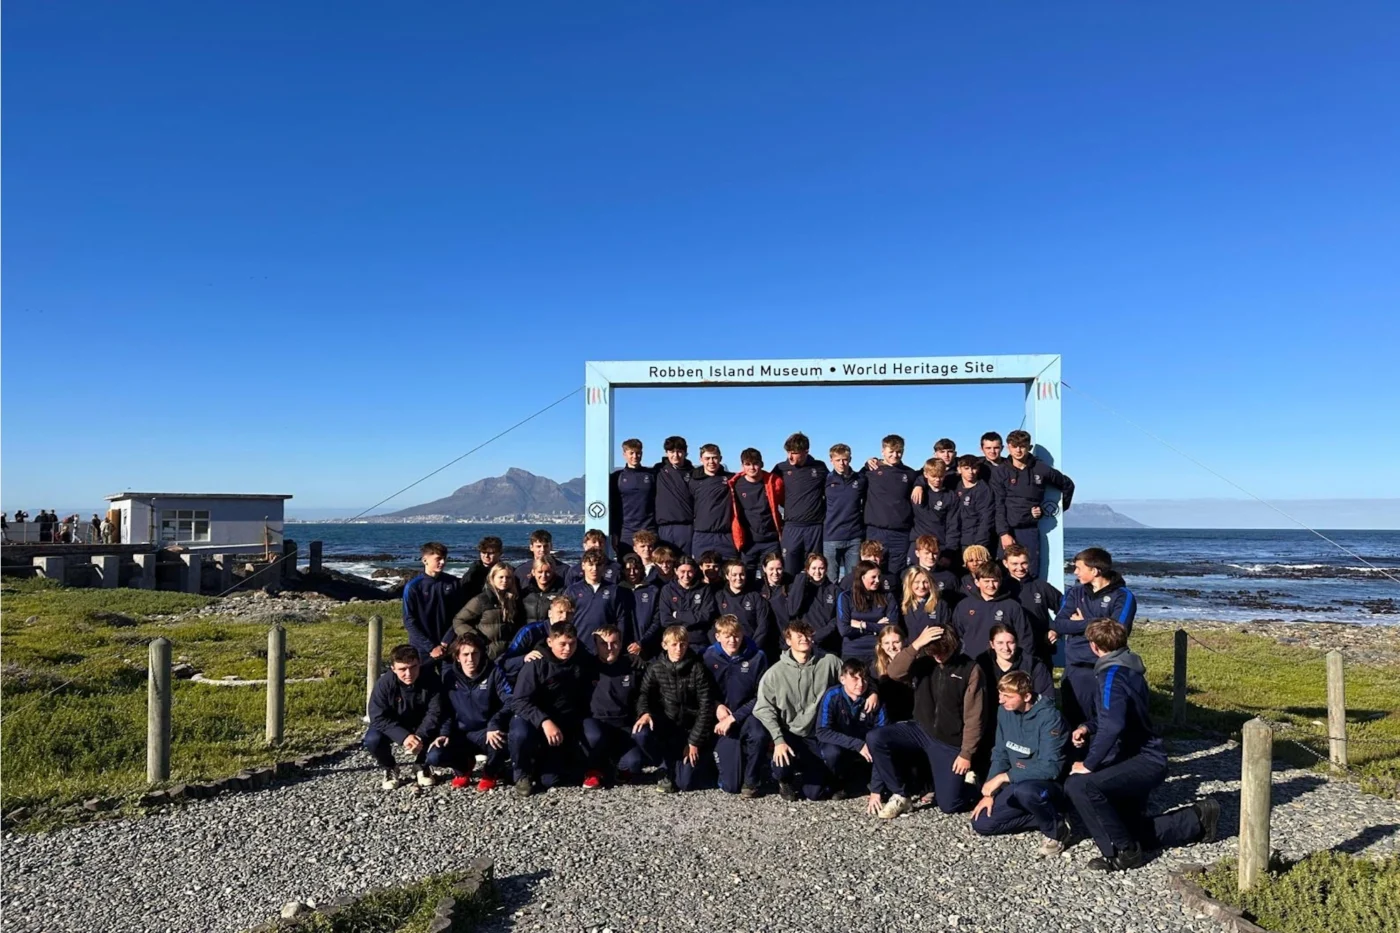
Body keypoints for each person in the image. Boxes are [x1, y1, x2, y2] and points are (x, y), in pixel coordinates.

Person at [1066, 620, 1220, 871]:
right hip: (1138, 754)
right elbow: (1116, 716)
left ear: (1093, 647)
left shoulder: (1110, 676)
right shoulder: (1128, 666)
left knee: (1079, 785)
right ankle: (1197, 819)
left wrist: (1089, 764)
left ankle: (1123, 853)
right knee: (1126, 827)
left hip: (1141, 758)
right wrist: (1088, 726)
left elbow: (1113, 725)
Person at [867, 625, 986, 818]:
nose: (938, 656)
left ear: (953, 646)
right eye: (933, 651)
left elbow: (975, 715)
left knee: (949, 804)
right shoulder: (923, 662)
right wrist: (916, 645)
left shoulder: (970, 669)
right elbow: (895, 672)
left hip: (949, 740)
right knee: (876, 738)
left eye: (942, 652)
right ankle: (901, 794)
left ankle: (973, 785)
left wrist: (967, 753)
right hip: (921, 729)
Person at [970, 670, 1071, 856]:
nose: (1001, 700)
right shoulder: (1004, 712)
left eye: (1007, 696)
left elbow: (1051, 768)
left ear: (1026, 696)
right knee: (982, 823)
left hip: (1046, 784)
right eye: (1000, 694)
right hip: (1017, 781)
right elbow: (1000, 752)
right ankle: (1051, 816)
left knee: (1025, 791)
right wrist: (990, 791)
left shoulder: (1051, 718)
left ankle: (1056, 831)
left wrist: (1004, 777)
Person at [753, 620, 848, 801]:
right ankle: (784, 779)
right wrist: (778, 739)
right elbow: (763, 708)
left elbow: (852, 680)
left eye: (807, 635)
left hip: (819, 731)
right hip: (790, 733)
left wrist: (872, 692)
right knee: (781, 759)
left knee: (816, 791)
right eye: (799, 635)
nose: (805, 639)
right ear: (789, 641)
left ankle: (833, 778)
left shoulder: (830, 661)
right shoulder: (775, 672)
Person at [1053, 548, 1137, 730]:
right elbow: (1059, 624)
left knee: (1105, 721)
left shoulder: (1123, 596)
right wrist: (1098, 623)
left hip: (1105, 668)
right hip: (1075, 667)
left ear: (1095, 570)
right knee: (1073, 723)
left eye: (1078, 568)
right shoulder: (1075, 593)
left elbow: (1117, 632)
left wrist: (1082, 623)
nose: (1074, 572)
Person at [509, 621, 593, 796]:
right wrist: (544, 721)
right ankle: (521, 774)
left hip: (562, 723)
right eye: (562, 644)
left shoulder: (581, 662)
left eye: (572, 644)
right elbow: (519, 701)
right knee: (519, 733)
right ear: (550, 642)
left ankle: (545, 765)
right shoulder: (536, 663)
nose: (567, 649)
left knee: (551, 781)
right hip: (534, 720)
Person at [634, 625, 718, 793]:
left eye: (682, 644)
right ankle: (663, 767)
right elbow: (644, 694)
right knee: (641, 733)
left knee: (685, 784)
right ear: (665, 645)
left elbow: (705, 706)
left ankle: (700, 761)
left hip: (690, 729)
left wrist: (694, 741)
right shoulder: (656, 668)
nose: (678, 649)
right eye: (674, 644)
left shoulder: (697, 669)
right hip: (667, 726)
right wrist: (644, 713)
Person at [429, 633, 512, 791]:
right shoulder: (449, 677)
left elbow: (510, 701)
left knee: (501, 740)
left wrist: (495, 723)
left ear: (481, 654)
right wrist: (444, 733)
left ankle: (491, 772)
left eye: (474, 653)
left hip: (487, 731)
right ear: (457, 657)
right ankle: (463, 768)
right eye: (465, 654)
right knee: (435, 756)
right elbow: (446, 709)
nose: (470, 659)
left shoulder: (494, 672)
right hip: (461, 732)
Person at [704, 615, 770, 797]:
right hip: (718, 716)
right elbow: (702, 691)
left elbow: (761, 696)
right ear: (718, 637)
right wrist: (716, 706)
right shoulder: (708, 656)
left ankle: (752, 780)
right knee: (730, 786)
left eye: (736, 635)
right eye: (727, 636)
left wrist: (735, 717)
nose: (732, 640)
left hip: (748, 714)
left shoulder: (757, 657)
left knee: (759, 734)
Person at [994, 430, 1075, 575]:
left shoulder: (1040, 468)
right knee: (1003, 574)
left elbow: (1068, 485)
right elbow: (998, 505)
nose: (1018, 450)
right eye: (1015, 446)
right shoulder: (1000, 472)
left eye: (1022, 446)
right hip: (1007, 531)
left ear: (1029, 447)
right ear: (1008, 447)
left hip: (1029, 530)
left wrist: (1057, 512)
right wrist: (1004, 533)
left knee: (1030, 572)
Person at [580, 625, 652, 788]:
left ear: (621, 643)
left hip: (623, 725)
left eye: (614, 643)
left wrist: (644, 712)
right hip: (597, 722)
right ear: (596, 645)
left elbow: (645, 693)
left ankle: (614, 767)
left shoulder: (634, 666)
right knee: (593, 736)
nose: (609, 648)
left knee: (634, 763)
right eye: (603, 644)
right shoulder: (587, 666)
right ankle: (593, 770)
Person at [365, 645, 444, 789]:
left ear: (419, 663)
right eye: (402, 669)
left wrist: (419, 736)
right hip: (394, 723)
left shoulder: (432, 679)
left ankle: (421, 765)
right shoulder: (384, 684)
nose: (409, 673)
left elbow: (436, 712)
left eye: (413, 667)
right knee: (372, 740)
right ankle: (389, 766)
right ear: (393, 669)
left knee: (439, 731)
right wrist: (403, 736)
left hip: (422, 723)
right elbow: (377, 716)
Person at [815, 658, 888, 805]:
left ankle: (872, 782)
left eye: (864, 678)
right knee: (831, 753)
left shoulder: (875, 700)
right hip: (842, 743)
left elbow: (883, 732)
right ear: (843, 679)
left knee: (881, 747)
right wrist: (856, 744)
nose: (860, 684)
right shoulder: (832, 696)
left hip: (867, 745)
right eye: (854, 678)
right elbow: (822, 731)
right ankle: (839, 782)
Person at [859, 435, 919, 572]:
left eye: (898, 452)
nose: (895, 455)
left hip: (901, 533)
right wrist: (867, 463)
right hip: (876, 531)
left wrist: (919, 485)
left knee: (897, 574)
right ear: (883, 451)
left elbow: (925, 476)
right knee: (873, 571)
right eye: (891, 451)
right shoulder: (871, 470)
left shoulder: (910, 474)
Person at [773, 432, 828, 577]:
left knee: (814, 571)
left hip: (815, 527)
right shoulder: (781, 468)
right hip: (792, 527)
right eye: (788, 452)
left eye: (794, 453)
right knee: (789, 571)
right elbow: (766, 487)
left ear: (806, 452)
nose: (790, 457)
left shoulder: (820, 467)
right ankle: (790, 598)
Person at [954, 565, 1035, 664]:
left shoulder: (1012, 606)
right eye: (986, 581)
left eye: (995, 581)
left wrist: (1021, 663)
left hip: (1002, 664)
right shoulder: (964, 605)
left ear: (1000, 581)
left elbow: (1025, 638)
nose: (991, 585)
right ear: (977, 582)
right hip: (971, 663)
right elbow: (956, 636)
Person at [402, 542, 460, 670]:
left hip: (449, 645)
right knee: (424, 685)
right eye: (438, 559)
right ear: (425, 560)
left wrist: (446, 642)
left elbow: (459, 616)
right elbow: (409, 620)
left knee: (450, 683)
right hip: (422, 648)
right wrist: (430, 647)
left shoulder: (454, 583)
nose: (443, 562)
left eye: (445, 558)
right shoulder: (413, 586)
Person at [728, 448, 784, 578]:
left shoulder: (773, 481)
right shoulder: (736, 484)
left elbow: (785, 502)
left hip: (771, 540)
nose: (752, 468)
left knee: (772, 577)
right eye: (748, 464)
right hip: (748, 542)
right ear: (742, 466)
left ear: (761, 464)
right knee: (746, 577)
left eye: (755, 464)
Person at [1003, 544, 1062, 665]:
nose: (1020, 568)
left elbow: (1065, 608)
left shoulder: (1041, 586)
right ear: (1005, 563)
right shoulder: (1000, 587)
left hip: (1040, 647)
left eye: (1024, 563)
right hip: (1007, 650)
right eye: (1014, 564)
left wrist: (1056, 629)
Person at [452, 561, 524, 660]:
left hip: (509, 654)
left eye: (508, 577)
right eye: (501, 577)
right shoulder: (482, 599)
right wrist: (476, 639)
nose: (505, 580)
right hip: (487, 655)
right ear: (492, 578)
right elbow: (458, 621)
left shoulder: (514, 600)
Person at [564, 551, 633, 650]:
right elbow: (564, 619)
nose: (594, 569)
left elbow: (621, 619)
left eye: (598, 565)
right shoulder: (572, 590)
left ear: (604, 567)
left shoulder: (614, 590)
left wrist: (619, 642)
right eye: (590, 565)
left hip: (606, 647)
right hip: (578, 645)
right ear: (583, 565)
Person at [836, 560, 900, 662]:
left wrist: (863, 624)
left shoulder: (887, 596)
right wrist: (876, 627)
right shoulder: (846, 597)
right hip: (853, 651)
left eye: (879, 577)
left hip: (878, 650)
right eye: (873, 577)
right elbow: (844, 630)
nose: (878, 580)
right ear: (862, 577)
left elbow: (892, 626)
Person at [500, 595, 573, 681]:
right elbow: (505, 663)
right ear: (550, 613)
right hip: (524, 682)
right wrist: (524, 658)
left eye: (569, 613)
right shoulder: (530, 631)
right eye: (560, 612)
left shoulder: (572, 636)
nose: (564, 617)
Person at [716, 559, 777, 662]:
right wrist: (722, 647)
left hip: (750, 651)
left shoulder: (755, 597)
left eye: (742, 574)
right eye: (734, 575)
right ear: (727, 576)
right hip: (725, 651)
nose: (738, 578)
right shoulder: (719, 597)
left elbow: (763, 625)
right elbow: (712, 625)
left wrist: (752, 648)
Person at [822, 443, 867, 583]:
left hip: (854, 538)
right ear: (831, 460)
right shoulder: (826, 480)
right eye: (838, 460)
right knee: (830, 580)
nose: (842, 463)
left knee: (853, 580)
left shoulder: (860, 480)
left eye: (845, 459)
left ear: (850, 459)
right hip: (831, 537)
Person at [609, 437, 657, 557]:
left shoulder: (652, 475)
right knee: (628, 569)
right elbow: (613, 508)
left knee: (651, 567)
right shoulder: (616, 477)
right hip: (626, 531)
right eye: (631, 453)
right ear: (624, 454)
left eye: (638, 453)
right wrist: (614, 534)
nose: (635, 456)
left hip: (649, 528)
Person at [660, 555, 720, 650]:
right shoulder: (667, 590)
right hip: (675, 641)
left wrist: (679, 615)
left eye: (690, 572)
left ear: (695, 571)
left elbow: (706, 616)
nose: (686, 576)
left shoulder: (704, 589)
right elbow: (665, 620)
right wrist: (692, 620)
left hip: (699, 641)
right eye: (682, 572)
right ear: (676, 571)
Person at [979, 624, 1054, 700]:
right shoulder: (981, 666)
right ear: (992, 644)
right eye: (1000, 643)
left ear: (1017, 643)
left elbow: (1046, 700)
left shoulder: (1034, 666)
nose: (1006, 648)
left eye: (1010, 643)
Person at [788, 551, 841, 656]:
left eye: (821, 568)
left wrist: (820, 634)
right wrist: (801, 578)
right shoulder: (801, 588)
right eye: (813, 568)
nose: (817, 572)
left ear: (826, 569)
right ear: (807, 569)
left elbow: (837, 618)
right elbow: (792, 610)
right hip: (805, 641)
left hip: (828, 642)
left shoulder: (835, 590)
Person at [690, 443, 738, 560]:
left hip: (726, 535)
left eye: (714, 458)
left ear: (720, 459)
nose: (711, 461)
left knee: (729, 571)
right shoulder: (693, 481)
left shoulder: (732, 479)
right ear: (701, 460)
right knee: (701, 572)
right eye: (707, 458)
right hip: (702, 535)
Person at [653, 436, 695, 559]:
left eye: (679, 451)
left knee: (684, 563)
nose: (675, 455)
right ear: (666, 453)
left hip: (686, 528)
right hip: (664, 528)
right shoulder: (658, 470)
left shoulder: (694, 473)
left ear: (685, 452)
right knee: (665, 564)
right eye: (671, 452)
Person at [910, 459, 959, 565]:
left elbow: (953, 526)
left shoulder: (950, 496)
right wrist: (918, 485)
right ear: (926, 474)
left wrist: (949, 553)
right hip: (917, 543)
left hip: (939, 545)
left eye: (940, 476)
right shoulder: (916, 490)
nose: (937, 480)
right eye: (934, 476)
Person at [950, 455, 997, 557]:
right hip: (955, 542)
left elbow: (986, 519)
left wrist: (980, 545)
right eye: (966, 468)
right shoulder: (955, 486)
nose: (970, 472)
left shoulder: (983, 490)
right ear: (959, 469)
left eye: (974, 468)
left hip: (974, 541)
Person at [621, 554, 661, 656]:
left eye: (636, 569)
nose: (632, 573)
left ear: (642, 569)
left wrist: (642, 642)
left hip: (648, 648)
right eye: (628, 569)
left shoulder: (653, 590)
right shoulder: (617, 590)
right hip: (622, 648)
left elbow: (657, 621)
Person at [872, 625, 914, 723]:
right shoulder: (876, 665)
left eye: (896, 642)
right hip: (888, 715)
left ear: (904, 642)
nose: (891, 647)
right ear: (881, 645)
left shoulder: (914, 662)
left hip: (911, 714)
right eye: (886, 643)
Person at [904, 535, 961, 605]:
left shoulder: (949, 577)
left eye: (935, 553)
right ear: (917, 553)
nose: (931, 557)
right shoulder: (908, 575)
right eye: (926, 553)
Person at [901, 567, 952, 642]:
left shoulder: (940, 605)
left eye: (925, 582)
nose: (922, 586)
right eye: (917, 582)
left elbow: (946, 632)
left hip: (934, 650)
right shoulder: (904, 605)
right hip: (912, 651)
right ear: (909, 583)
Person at [757, 551, 792, 644]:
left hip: (786, 637)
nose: (775, 573)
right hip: (765, 639)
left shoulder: (791, 586)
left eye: (779, 569)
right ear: (764, 569)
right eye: (771, 569)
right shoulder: (757, 588)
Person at [521, 559, 567, 623]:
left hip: (551, 631)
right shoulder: (525, 593)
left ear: (553, 572)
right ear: (533, 572)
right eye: (540, 572)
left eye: (547, 572)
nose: (544, 575)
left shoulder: (561, 592)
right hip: (529, 631)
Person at [461, 536, 504, 602]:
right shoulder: (473, 572)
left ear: (500, 553)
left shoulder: (507, 571)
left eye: (491, 553)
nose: (486, 556)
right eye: (483, 552)